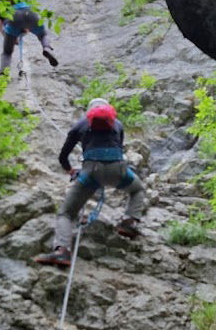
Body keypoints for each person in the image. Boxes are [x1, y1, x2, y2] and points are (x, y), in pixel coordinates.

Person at [34, 98, 144, 268]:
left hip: (91, 173)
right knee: (137, 189)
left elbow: (63, 156)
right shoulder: (118, 124)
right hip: (119, 170)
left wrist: (71, 170)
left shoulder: (80, 125)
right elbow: (119, 147)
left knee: (66, 213)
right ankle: (129, 222)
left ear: (89, 112)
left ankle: (62, 251)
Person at [0, 0, 58, 75]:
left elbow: (0, 24)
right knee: (43, 35)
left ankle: (4, 74)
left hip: (14, 20)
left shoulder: (0, 8)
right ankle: (47, 48)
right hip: (31, 15)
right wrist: (25, 28)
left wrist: (9, 37)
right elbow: (27, 15)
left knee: (7, 52)